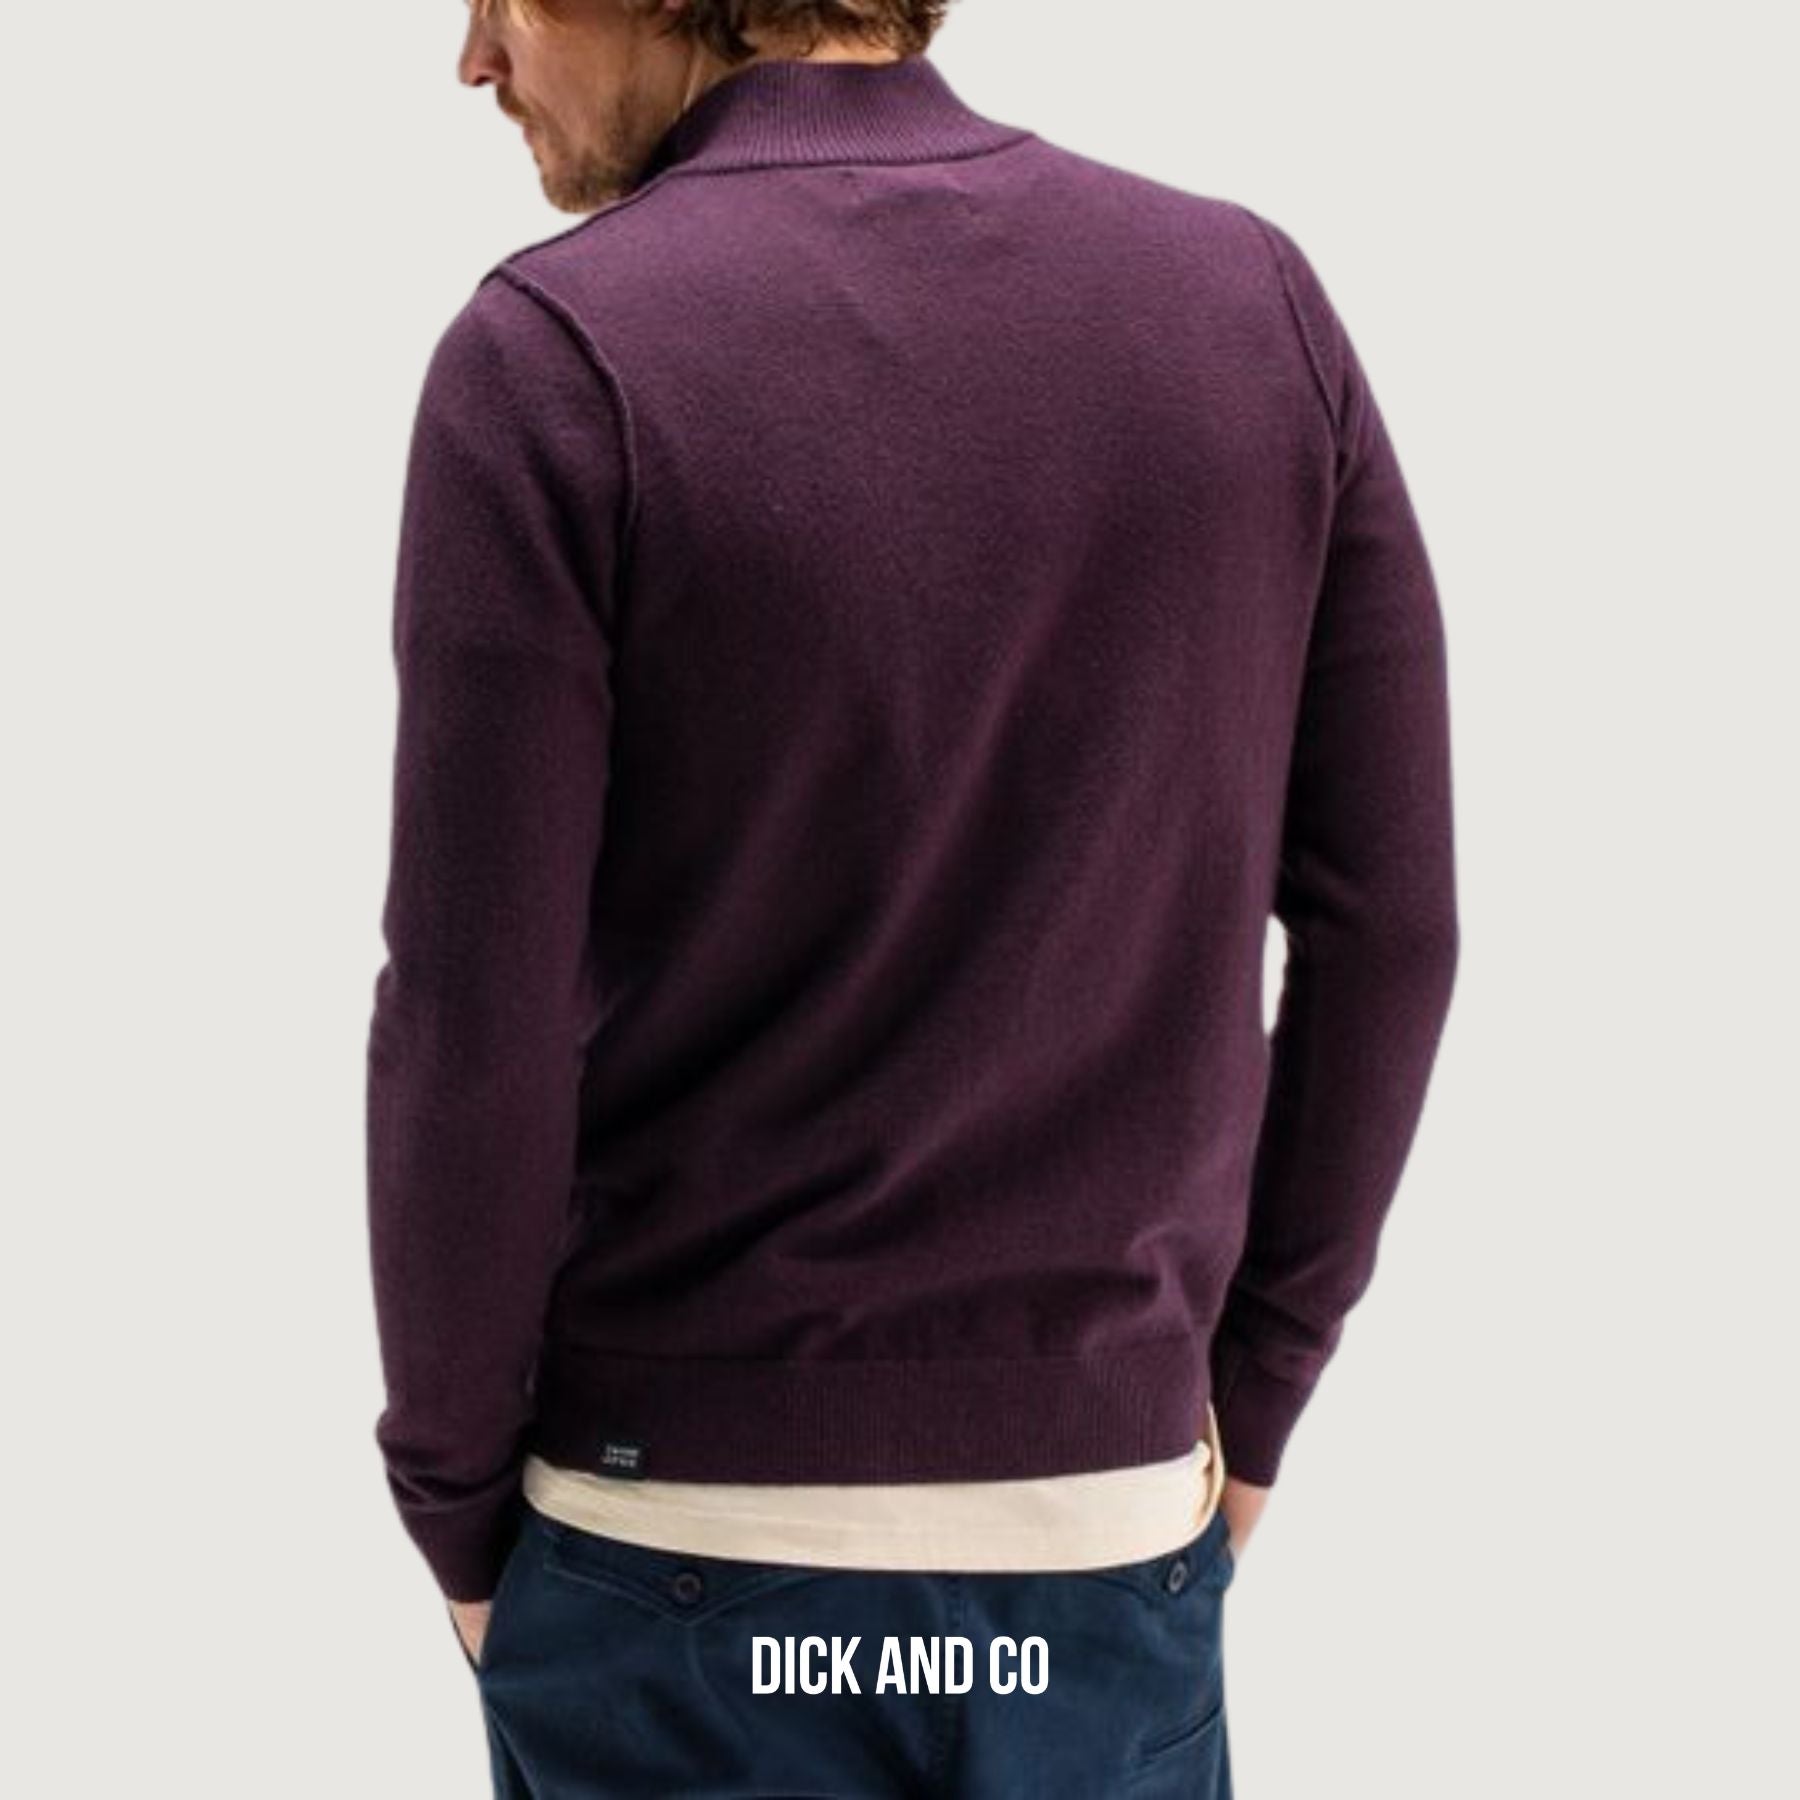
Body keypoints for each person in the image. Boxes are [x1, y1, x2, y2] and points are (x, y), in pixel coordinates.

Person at [363, 1, 1460, 1793]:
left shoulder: (554, 358)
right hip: (1098, 1540)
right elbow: (1390, 927)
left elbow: (472, 1018)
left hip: (671, 1548)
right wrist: (1247, 1402)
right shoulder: (1250, 307)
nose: (474, 59)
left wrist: (459, 1509)